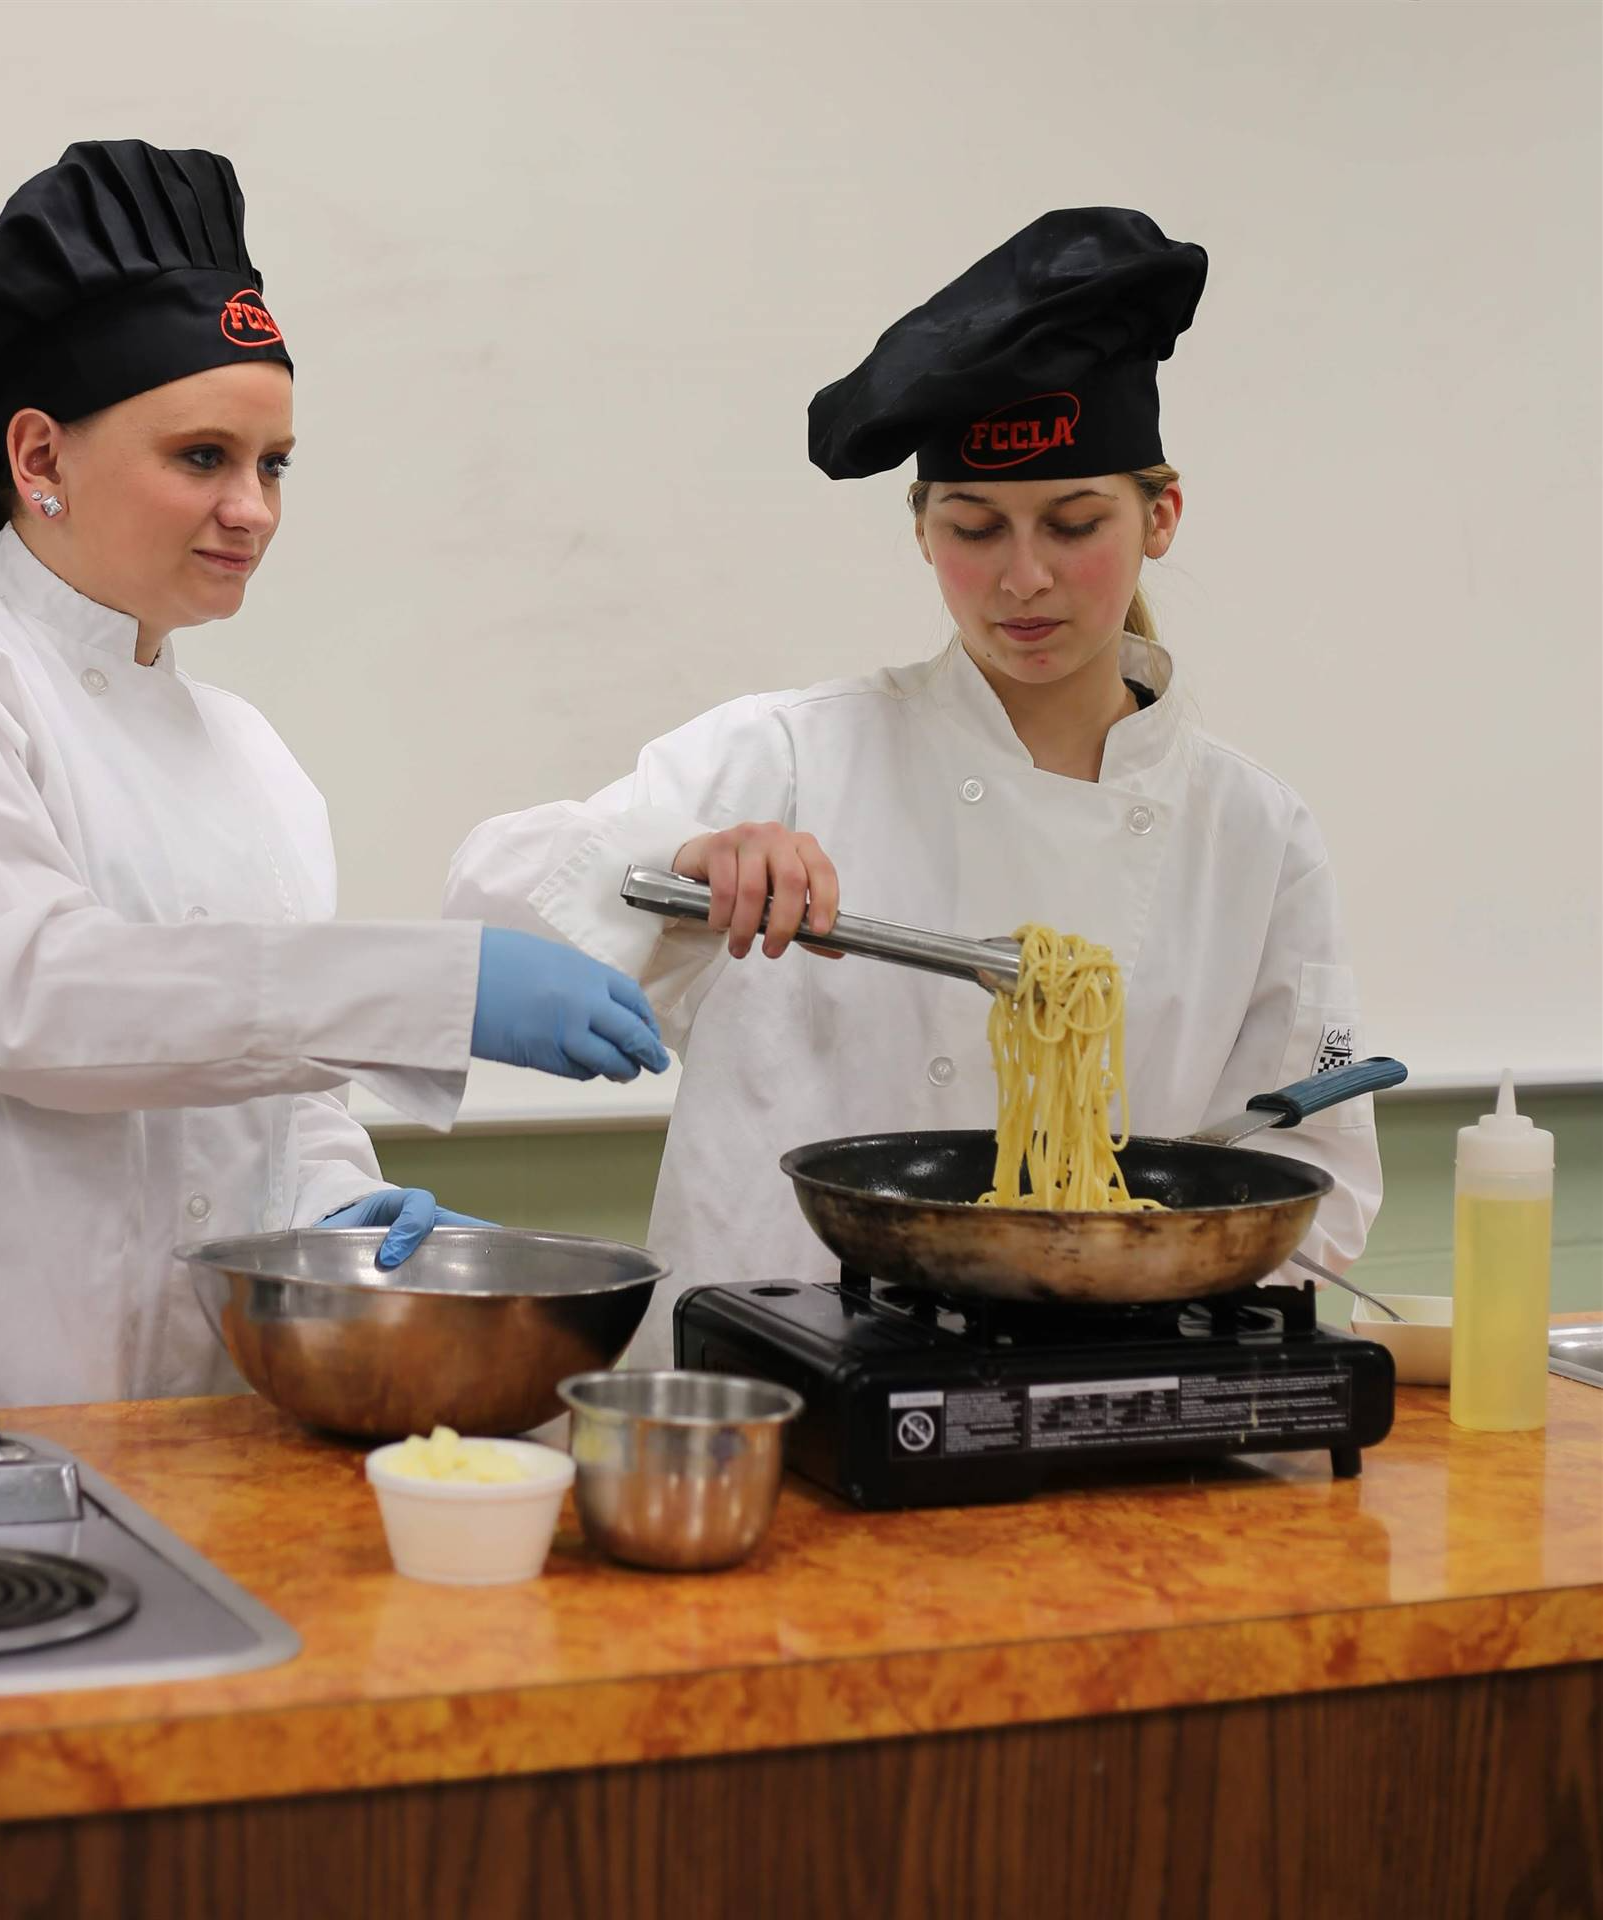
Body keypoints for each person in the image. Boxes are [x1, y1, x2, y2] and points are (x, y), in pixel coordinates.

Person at [0, 140, 668, 1418]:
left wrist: (334, 1205)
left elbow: (273, 1083)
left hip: (184, 1424)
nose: (253, 510)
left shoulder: (254, 762)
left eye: (273, 464)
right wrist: (433, 988)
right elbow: (28, 996)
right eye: (203, 458)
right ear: (40, 459)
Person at [445, 208, 1382, 1366]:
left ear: (1160, 518)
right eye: (974, 528)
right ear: (923, 531)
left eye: (1073, 524)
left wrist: (1152, 1333)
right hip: (771, 1388)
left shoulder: (1255, 832)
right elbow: (485, 912)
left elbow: (1316, 1162)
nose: (1021, 578)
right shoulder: (793, 756)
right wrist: (686, 870)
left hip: (1108, 1386)